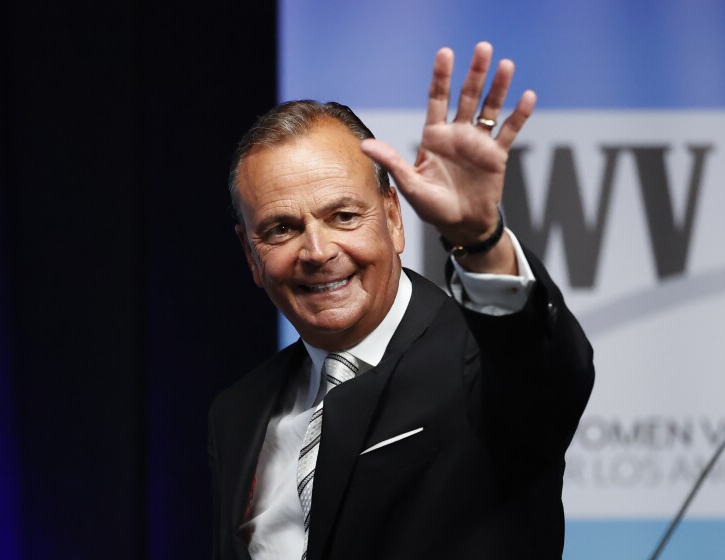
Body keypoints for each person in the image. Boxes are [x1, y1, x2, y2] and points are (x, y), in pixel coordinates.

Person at [209, 41, 594, 560]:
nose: (318, 252)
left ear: (393, 216)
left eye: (344, 216)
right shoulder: (236, 412)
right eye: (282, 229)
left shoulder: (481, 364)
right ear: (250, 254)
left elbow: (548, 373)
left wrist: (480, 240)